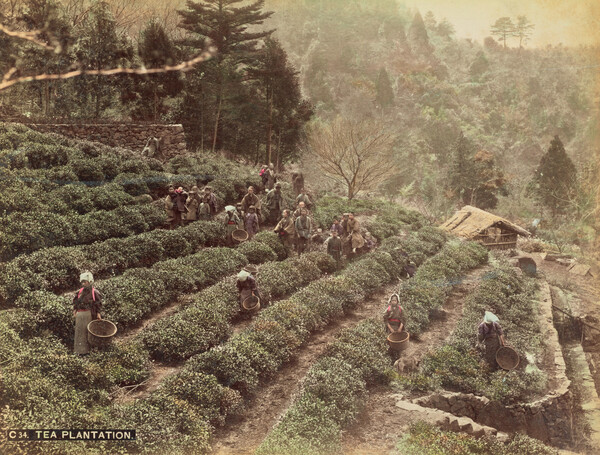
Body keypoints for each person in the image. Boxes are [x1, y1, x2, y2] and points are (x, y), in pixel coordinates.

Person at [73, 272, 103, 356]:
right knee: (79, 333)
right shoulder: (80, 291)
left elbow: (98, 303)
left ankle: (87, 352)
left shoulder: (95, 292)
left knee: (87, 332)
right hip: (80, 314)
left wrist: (98, 313)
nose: (83, 284)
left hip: (89, 314)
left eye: (85, 282)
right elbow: (76, 302)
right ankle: (79, 351)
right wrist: (75, 310)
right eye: (82, 282)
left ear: (90, 281)